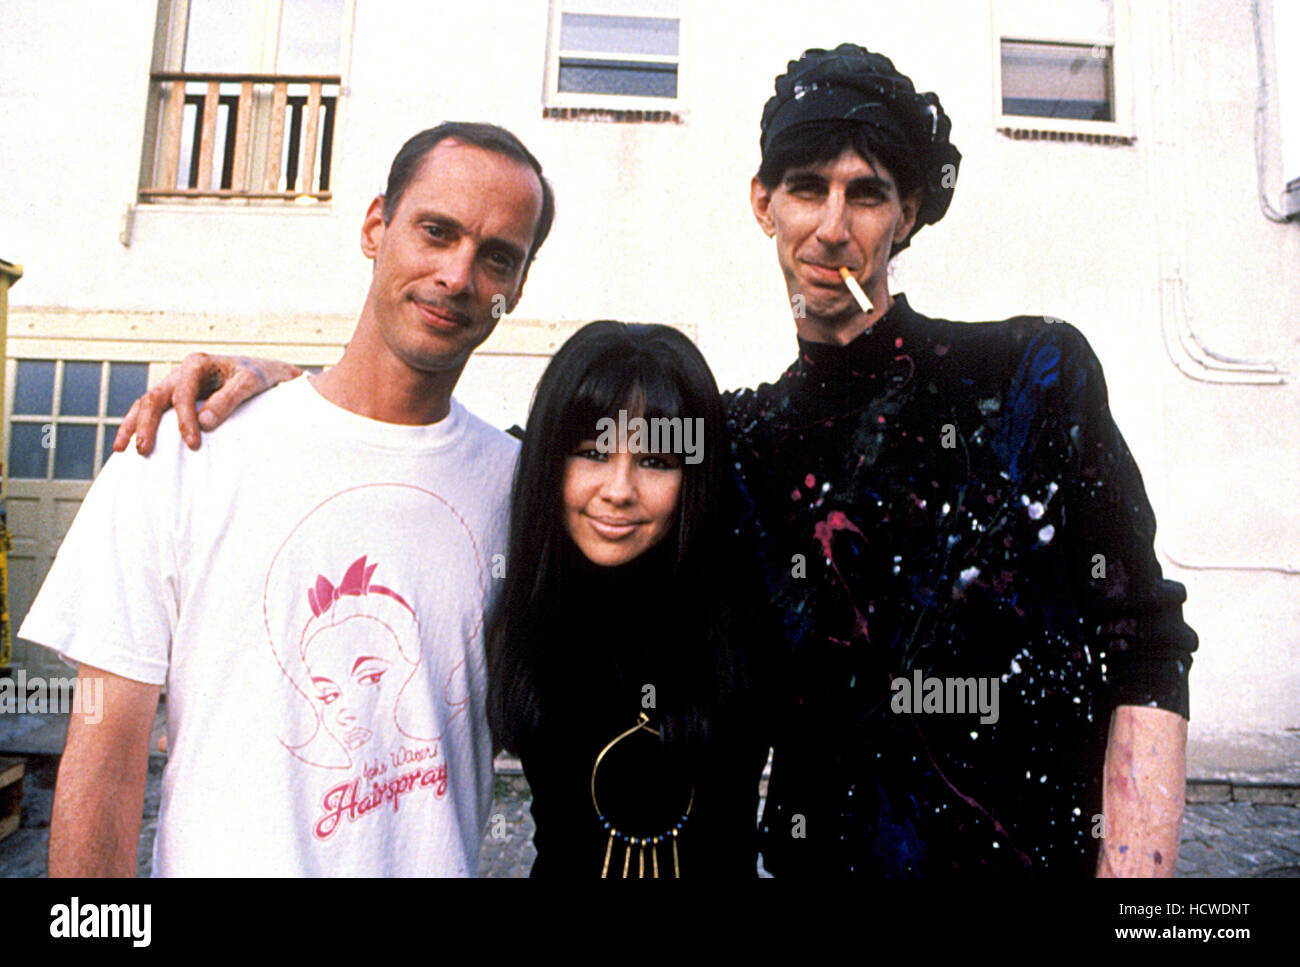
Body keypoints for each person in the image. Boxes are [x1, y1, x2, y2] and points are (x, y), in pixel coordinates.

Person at [119, 44, 1196, 878]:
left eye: (867, 192)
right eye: (806, 186)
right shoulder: (741, 443)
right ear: (762, 204)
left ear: (907, 211)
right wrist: (286, 383)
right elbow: (552, 455)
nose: (832, 225)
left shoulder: (1027, 375)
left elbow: (1145, 644)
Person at [20, 120, 554, 876]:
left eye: (497, 257)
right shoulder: (183, 448)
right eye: (436, 231)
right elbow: (105, 753)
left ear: (518, 287)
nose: (459, 276)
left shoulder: (524, 490)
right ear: (376, 225)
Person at [486, 321, 769, 877]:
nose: (618, 490)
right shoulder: (525, 588)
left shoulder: (752, 604)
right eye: (592, 453)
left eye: (656, 462)